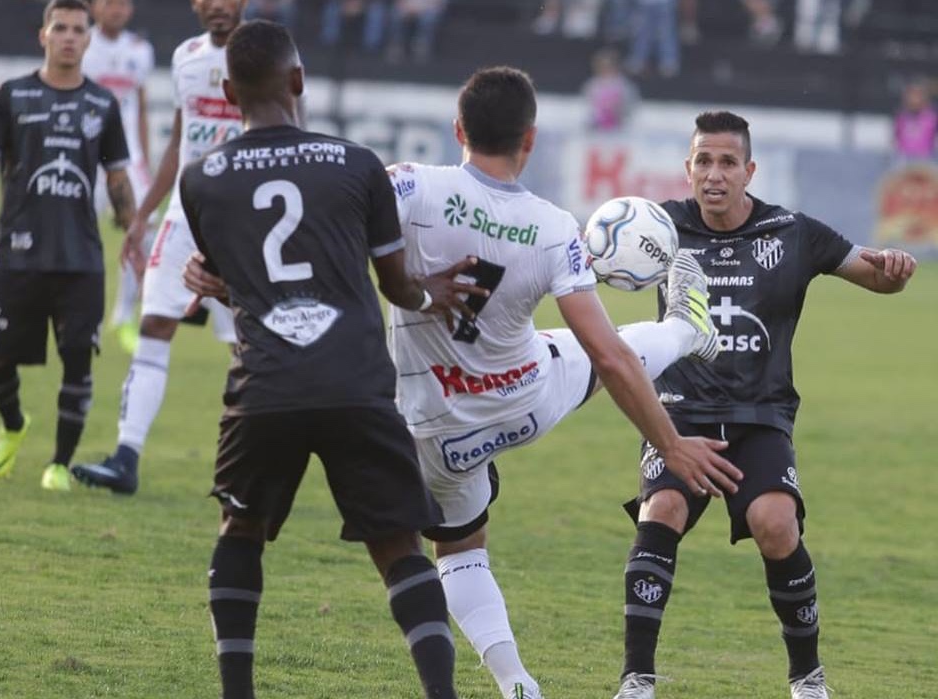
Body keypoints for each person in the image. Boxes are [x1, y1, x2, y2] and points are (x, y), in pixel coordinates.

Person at [185, 65, 744, 699]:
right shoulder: (553, 226)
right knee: (613, 347)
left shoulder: (406, 185)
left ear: (457, 129)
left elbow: (314, 242)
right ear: (529, 139)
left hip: (434, 428)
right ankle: (689, 327)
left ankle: (516, 681)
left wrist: (228, 275)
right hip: (527, 397)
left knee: (457, 550)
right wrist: (671, 444)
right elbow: (610, 357)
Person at [178, 19, 486, 699]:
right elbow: (396, 286)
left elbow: (247, 281)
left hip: (266, 385)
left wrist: (217, 283)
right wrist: (431, 292)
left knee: (241, 529)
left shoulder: (201, 179)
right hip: (355, 381)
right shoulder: (357, 163)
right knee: (399, 545)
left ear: (227, 92)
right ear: (298, 80)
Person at [613, 110, 917, 699]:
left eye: (728, 162)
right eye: (704, 161)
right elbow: (599, 257)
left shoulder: (791, 231)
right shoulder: (662, 227)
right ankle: (636, 680)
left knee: (775, 524)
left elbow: (876, 276)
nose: (715, 174)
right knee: (663, 508)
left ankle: (808, 678)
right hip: (679, 413)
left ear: (749, 170)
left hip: (760, 416)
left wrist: (896, 270)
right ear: (688, 168)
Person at [71, 0, 248, 495]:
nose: (218, 5)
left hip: (243, 221)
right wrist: (142, 214)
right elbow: (179, 143)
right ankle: (125, 458)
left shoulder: (266, 51)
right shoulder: (185, 56)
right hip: (184, 215)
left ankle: (253, 470)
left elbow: (288, 130)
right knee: (154, 324)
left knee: (248, 346)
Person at [0, 0, 133, 491]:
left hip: (81, 259)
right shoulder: (13, 95)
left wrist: (133, 230)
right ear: (43, 35)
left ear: (89, 39)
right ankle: (14, 424)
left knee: (78, 360)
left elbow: (118, 178)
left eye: (77, 30)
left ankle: (60, 465)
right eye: (60, 28)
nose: (69, 37)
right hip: (18, 254)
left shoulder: (102, 104)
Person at [82, 0, 155, 354]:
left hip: (128, 158)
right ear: (93, 7)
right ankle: (83, 316)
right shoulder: (80, 42)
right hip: (86, 156)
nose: (117, 9)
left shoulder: (140, 51)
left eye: (123, 3)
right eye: (109, 2)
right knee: (79, 235)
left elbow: (140, 107)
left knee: (144, 232)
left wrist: (146, 161)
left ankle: (124, 316)